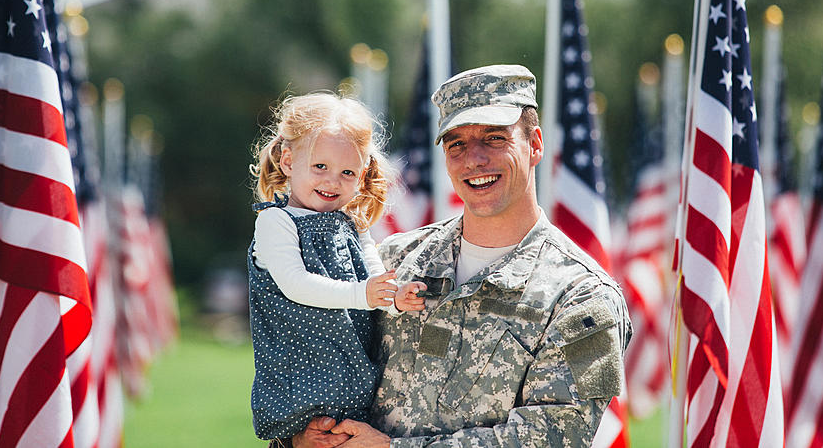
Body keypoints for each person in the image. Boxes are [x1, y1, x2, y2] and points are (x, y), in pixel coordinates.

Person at [294, 65, 632, 448]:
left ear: (535, 144)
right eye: (456, 144)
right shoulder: (392, 261)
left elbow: (551, 437)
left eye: (493, 138)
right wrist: (303, 435)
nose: (473, 159)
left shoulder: (582, 297)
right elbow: (320, 356)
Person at [247, 93, 422, 444]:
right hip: (300, 382)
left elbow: (376, 280)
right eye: (320, 167)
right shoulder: (276, 222)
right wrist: (363, 295)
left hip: (352, 379)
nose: (332, 182)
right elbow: (296, 284)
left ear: (361, 177)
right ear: (287, 161)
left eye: (347, 173)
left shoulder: (353, 226)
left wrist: (395, 296)